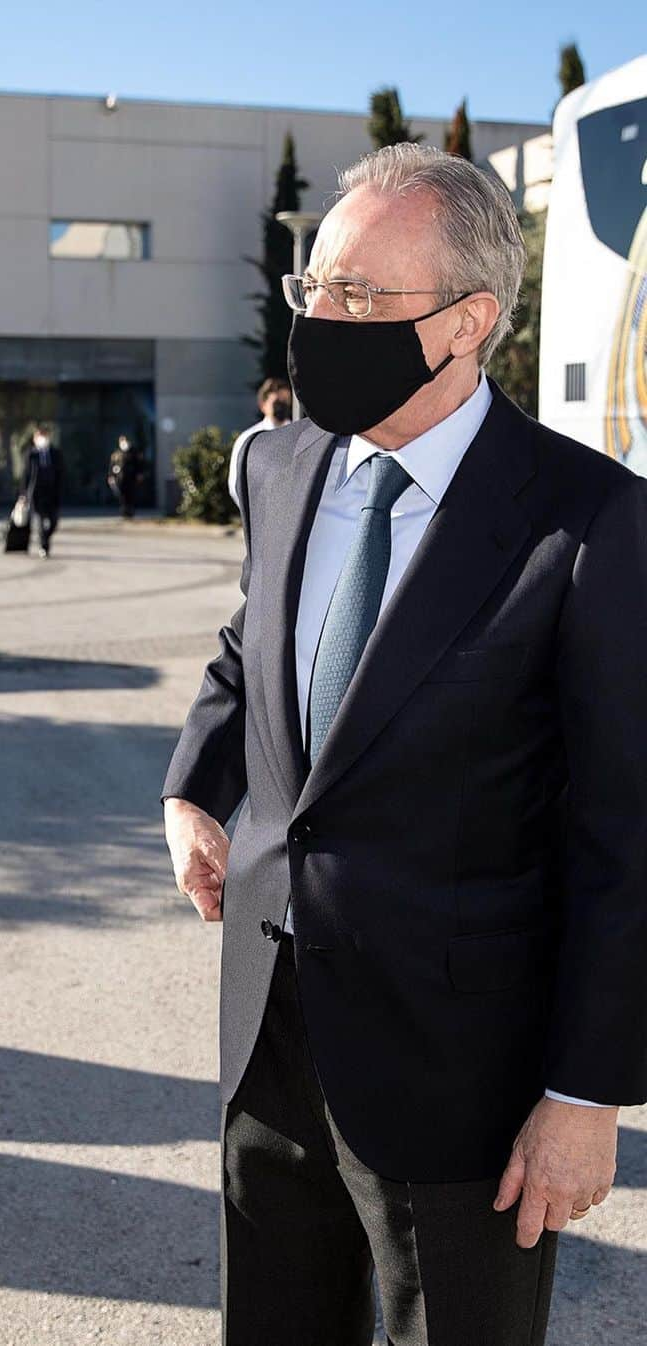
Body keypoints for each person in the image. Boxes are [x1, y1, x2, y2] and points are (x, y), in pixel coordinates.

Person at [162, 144, 647, 1346]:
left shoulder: (587, 519)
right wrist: (193, 783)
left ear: (469, 321)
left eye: (364, 299)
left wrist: (585, 1095)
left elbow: (625, 833)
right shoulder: (279, 467)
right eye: (315, 287)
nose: (323, 319)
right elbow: (244, 648)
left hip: (461, 1083)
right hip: (268, 1035)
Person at [226, 376, 292, 506]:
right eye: (277, 402)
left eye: (286, 401)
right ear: (263, 405)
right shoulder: (249, 439)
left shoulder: (301, 437)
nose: (282, 406)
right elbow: (236, 484)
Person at [20, 424, 63, 556]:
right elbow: (26, 475)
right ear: (35, 438)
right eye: (40, 436)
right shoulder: (31, 455)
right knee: (40, 520)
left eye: (45, 435)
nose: (43, 439)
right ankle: (44, 546)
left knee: (54, 521)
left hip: (52, 493)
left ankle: (46, 539)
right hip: (37, 494)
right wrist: (23, 494)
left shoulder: (55, 453)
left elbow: (61, 473)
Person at [107, 434, 145, 517]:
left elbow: (139, 464)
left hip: (131, 477)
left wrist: (140, 474)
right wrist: (111, 476)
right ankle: (124, 510)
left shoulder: (134, 452)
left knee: (131, 495)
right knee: (122, 495)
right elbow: (112, 466)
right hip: (120, 479)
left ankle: (131, 510)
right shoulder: (116, 454)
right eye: (122, 440)